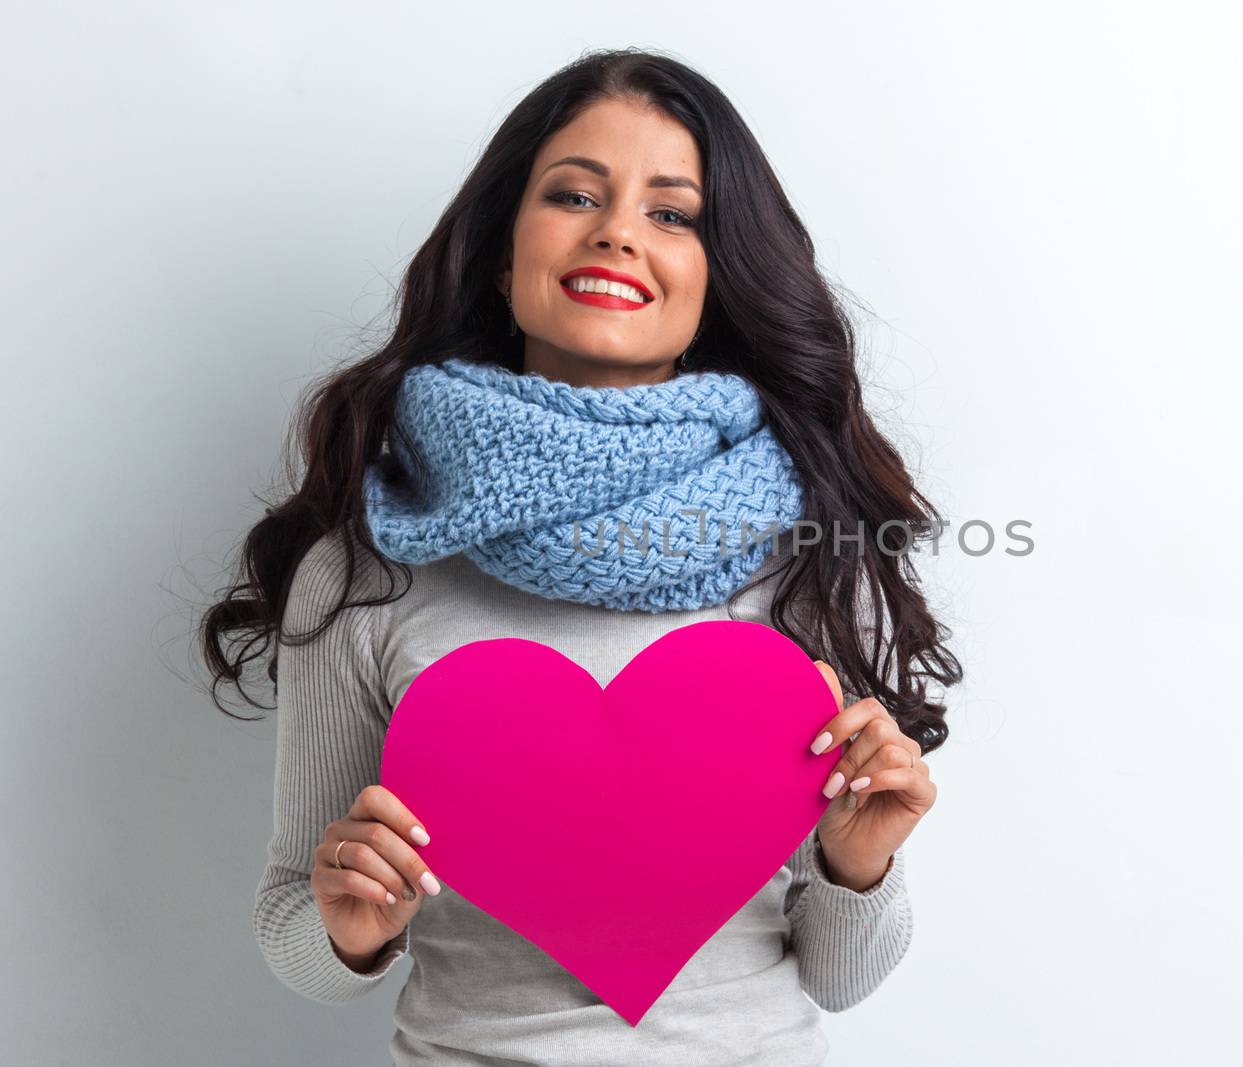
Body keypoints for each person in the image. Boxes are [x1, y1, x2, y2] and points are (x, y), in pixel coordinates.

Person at [200, 46, 962, 1066]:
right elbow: (293, 932)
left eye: (673, 212)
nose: (616, 232)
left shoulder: (808, 552)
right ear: (502, 254)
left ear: (717, 277)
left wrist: (858, 866)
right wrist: (349, 914)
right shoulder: (370, 566)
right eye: (573, 194)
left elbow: (841, 977)